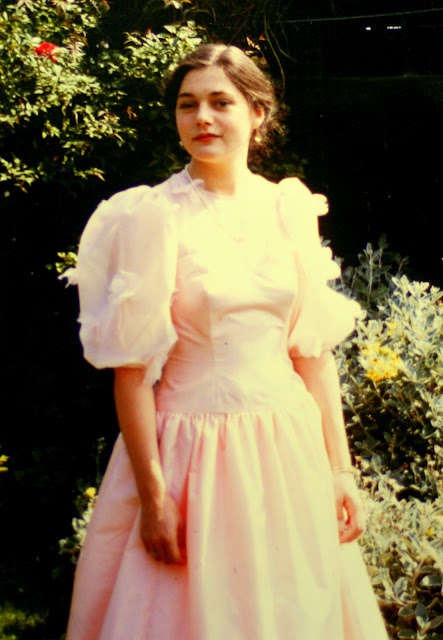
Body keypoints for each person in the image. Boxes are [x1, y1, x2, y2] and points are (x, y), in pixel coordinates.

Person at [65, 43, 389, 640]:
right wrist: (154, 496)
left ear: (257, 113)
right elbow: (132, 376)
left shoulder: (288, 207)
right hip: (190, 460)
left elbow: (312, 355)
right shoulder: (152, 216)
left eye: (221, 102)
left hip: (288, 453)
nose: (202, 118)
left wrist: (340, 470)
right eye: (188, 105)